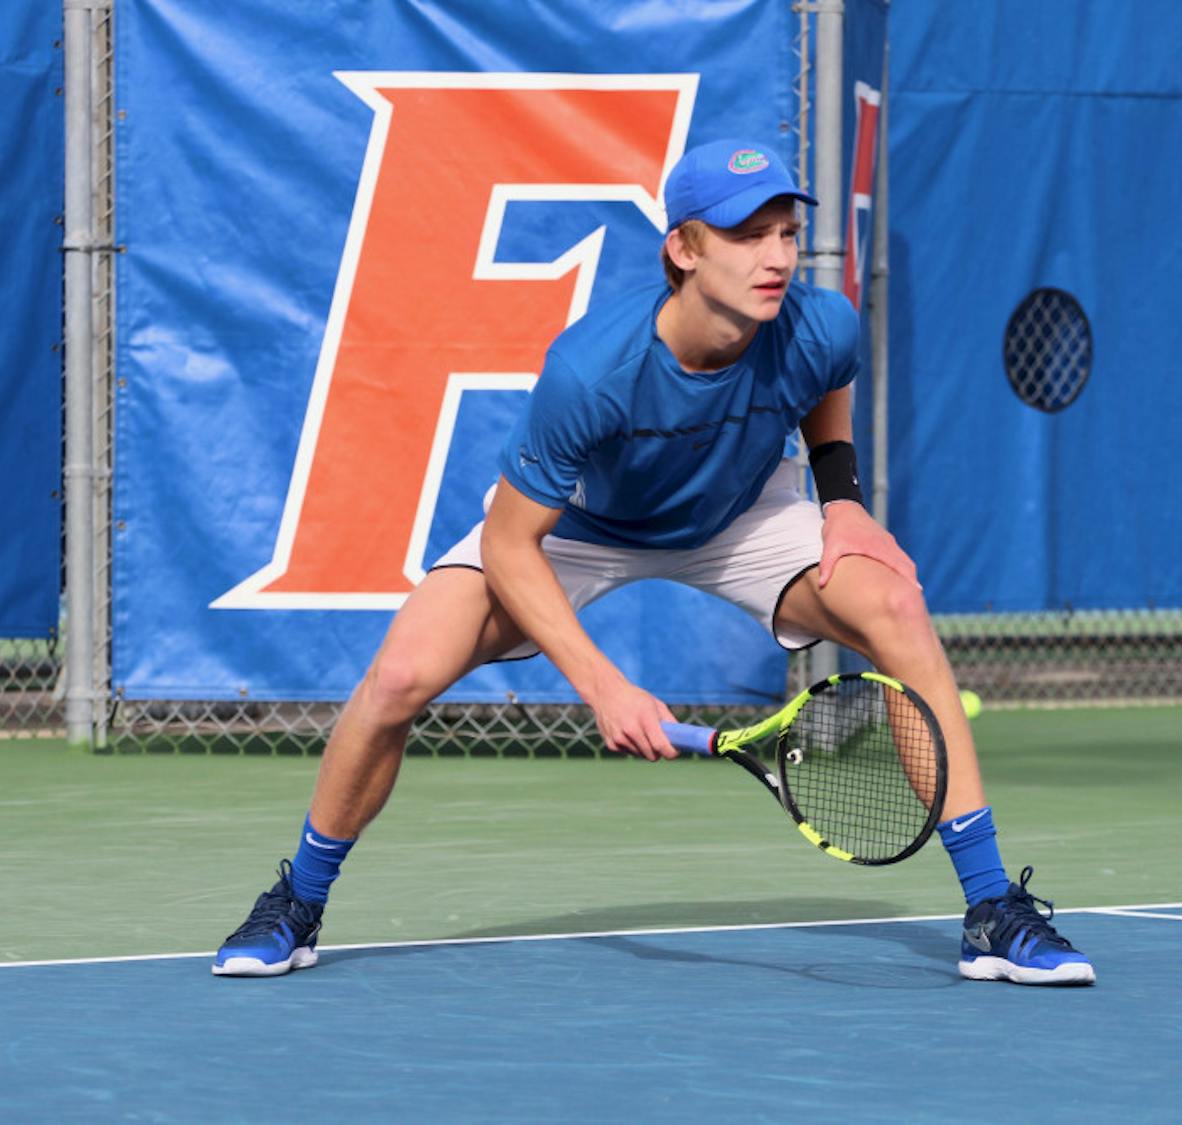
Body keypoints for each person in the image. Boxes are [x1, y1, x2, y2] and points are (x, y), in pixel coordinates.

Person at [213, 138, 1094, 986]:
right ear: (683, 248)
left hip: (740, 514)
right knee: (401, 675)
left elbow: (827, 388)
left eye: (787, 232)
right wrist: (603, 685)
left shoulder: (819, 325)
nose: (776, 256)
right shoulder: (595, 370)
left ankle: (991, 910)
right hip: (580, 529)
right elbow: (509, 543)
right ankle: (297, 901)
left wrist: (845, 501)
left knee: (895, 608)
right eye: (748, 236)